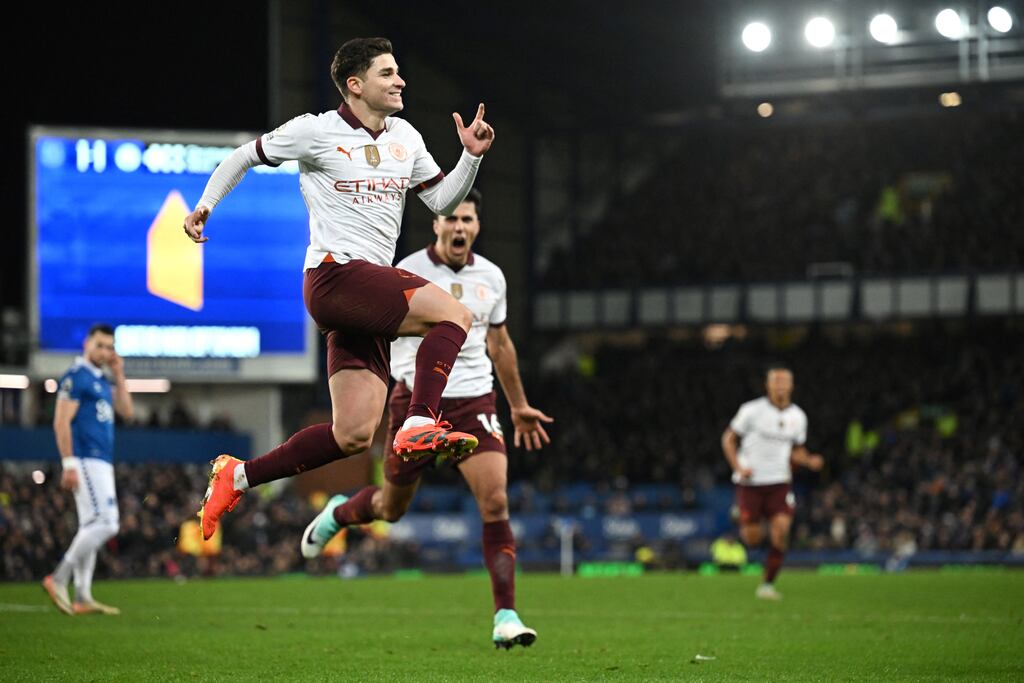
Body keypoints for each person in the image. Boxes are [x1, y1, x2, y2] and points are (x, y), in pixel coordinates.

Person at [182, 37, 495, 541]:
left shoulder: (406, 137)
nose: (400, 81)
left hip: (365, 296)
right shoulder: (315, 131)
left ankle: (237, 476)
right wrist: (205, 205)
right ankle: (420, 420)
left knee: (352, 436)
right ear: (355, 85)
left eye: (399, 73)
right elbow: (244, 155)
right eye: (388, 73)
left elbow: (440, 201)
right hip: (335, 277)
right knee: (454, 314)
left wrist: (470, 158)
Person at [300, 189, 552, 649]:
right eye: (451, 218)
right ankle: (339, 512)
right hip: (414, 403)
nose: (459, 227)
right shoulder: (406, 270)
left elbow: (500, 346)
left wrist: (517, 405)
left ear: (477, 226)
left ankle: (506, 616)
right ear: (436, 224)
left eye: (468, 220)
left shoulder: (492, 278)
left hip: (475, 401)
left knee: (495, 501)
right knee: (390, 510)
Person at [42, 323, 134, 615]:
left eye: (110, 346)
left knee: (90, 525)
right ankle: (59, 577)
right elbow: (61, 421)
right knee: (107, 523)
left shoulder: (100, 379)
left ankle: (82, 595)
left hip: (100, 459)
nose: (105, 351)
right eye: (100, 344)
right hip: (85, 459)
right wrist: (68, 462)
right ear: (87, 343)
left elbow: (127, 413)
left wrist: (119, 374)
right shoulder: (76, 376)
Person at [720, 365, 823, 600]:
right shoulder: (751, 411)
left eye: (784, 381)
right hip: (751, 483)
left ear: (791, 386)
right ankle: (750, 518)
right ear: (767, 385)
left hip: (780, 482)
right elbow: (728, 439)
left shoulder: (798, 417)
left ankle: (767, 585)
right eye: (775, 381)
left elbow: (796, 451)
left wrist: (809, 460)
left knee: (781, 533)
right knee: (753, 539)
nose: (780, 385)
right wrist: (738, 467)